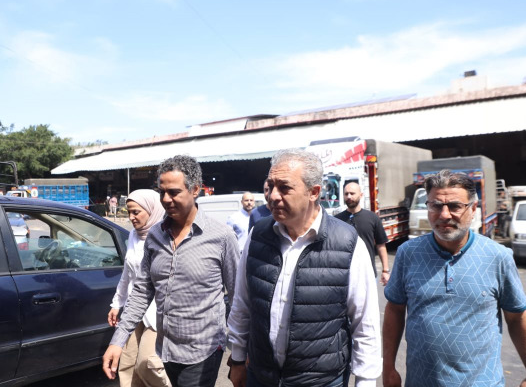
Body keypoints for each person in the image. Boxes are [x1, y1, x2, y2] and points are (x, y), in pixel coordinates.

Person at [227, 148, 382, 387]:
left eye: (284, 188)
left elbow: (365, 322)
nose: (273, 196)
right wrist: (237, 359)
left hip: (321, 381)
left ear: (314, 192)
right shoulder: (257, 236)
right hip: (261, 376)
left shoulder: (347, 243)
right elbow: (242, 304)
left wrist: (366, 381)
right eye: (271, 186)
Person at [382, 170, 526, 387]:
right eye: (436, 206)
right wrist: (388, 368)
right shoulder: (408, 254)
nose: (444, 215)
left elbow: (517, 317)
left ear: (473, 209)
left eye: (455, 206)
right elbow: (395, 309)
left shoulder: (497, 257)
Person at [102, 155, 240, 387]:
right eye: (162, 192)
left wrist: (239, 353)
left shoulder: (221, 236)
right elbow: (142, 291)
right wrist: (118, 340)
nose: (166, 199)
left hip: (203, 351)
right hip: (165, 348)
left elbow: (238, 297)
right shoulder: (155, 236)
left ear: (195, 190)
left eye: (174, 192)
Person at [107, 189, 170, 387]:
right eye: (129, 212)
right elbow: (127, 273)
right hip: (135, 309)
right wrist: (117, 303)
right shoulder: (134, 235)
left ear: (152, 210)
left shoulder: (166, 237)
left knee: (147, 363)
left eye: (136, 212)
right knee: (126, 363)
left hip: (157, 312)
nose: (131, 217)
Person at [335, 182, 390, 286]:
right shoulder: (337, 220)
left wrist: (385, 270)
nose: (349, 196)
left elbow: (381, 245)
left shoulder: (372, 218)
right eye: (346, 194)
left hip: (368, 275)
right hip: (344, 277)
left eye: (352, 193)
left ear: (361, 195)